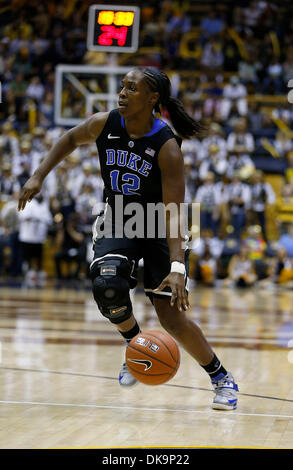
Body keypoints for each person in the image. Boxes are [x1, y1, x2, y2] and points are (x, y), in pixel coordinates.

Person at [18, 67, 238, 410]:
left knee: (171, 318)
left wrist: (178, 265)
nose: (122, 92)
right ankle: (136, 345)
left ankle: (221, 377)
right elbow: (69, 138)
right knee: (107, 284)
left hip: (158, 224)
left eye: (131, 88)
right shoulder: (104, 123)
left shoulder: (166, 147)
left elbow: (174, 211)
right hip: (118, 216)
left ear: (152, 99)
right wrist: (38, 175)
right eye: (123, 86)